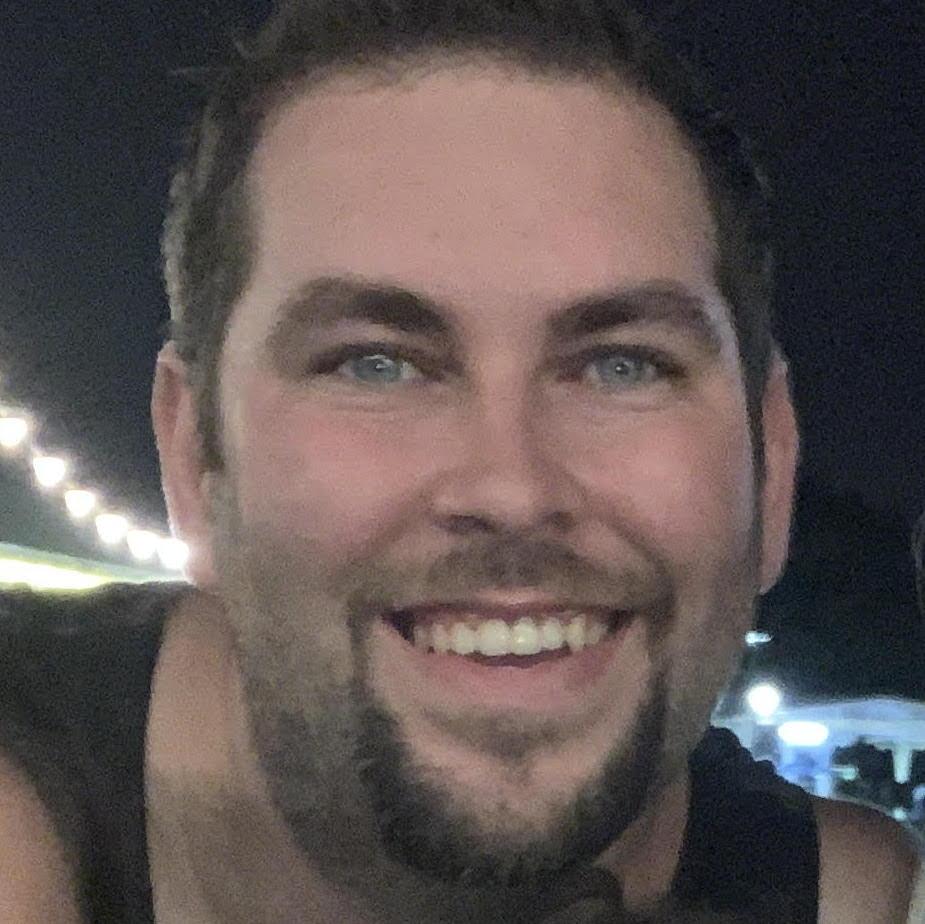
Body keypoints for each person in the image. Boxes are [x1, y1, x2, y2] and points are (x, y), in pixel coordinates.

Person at [1, 1, 922, 921]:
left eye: (623, 365)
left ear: (771, 462)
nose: (511, 489)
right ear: (193, 454)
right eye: (375, 364)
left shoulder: (855, 898)